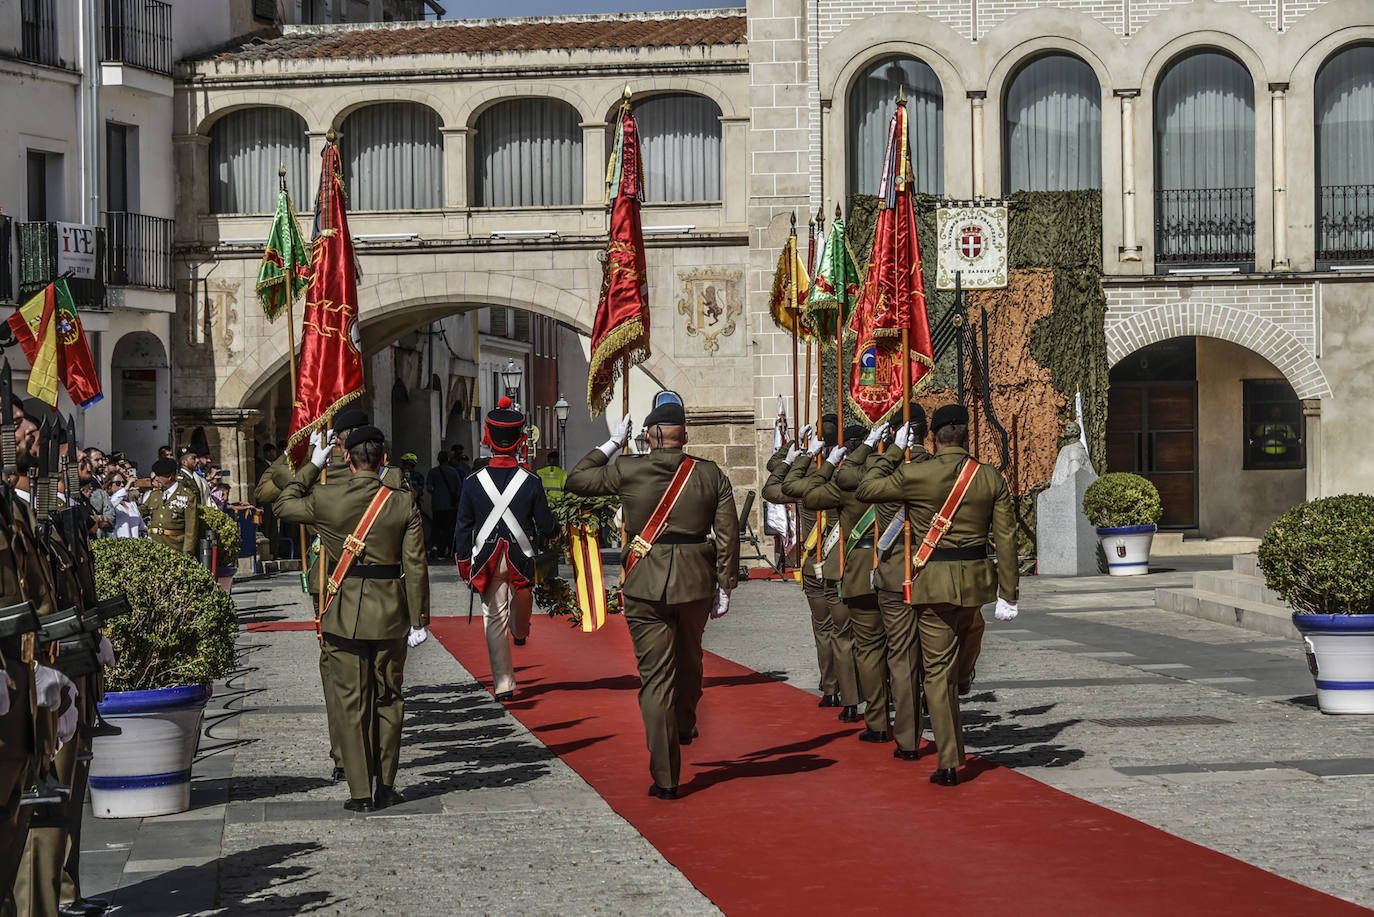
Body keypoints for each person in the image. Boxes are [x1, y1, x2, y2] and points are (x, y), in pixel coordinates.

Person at [566, 400, 739, 799]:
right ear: (685, 435)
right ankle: (683, 722)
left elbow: (577, 479)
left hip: (644, 583)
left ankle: (666, 777)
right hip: (695, 583)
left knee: (655, 679)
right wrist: (725, 583)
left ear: (647, 436)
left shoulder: (628, 468)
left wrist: (611, 444)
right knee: (691, 660)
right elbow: (728, 534)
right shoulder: (711, 474)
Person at [856, 404, 1020, 786]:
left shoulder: (916, 473)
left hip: (932, 582)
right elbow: (1007, 539)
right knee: (966, 639)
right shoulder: (989, 478)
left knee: (936, 673)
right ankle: (964, 676)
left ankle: (948, 761)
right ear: (966, 434)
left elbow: (866, 487)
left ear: (933, 436)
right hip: (978, 582)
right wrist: (1009, 593)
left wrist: (895, 449)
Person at [274, 425, 430, 813]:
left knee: (350, 701)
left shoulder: (325, 497)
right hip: (391, 613)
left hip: (342, 611)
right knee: (390, 698)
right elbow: (415, 564)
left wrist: (312, 465)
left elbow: (282, 504)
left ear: (346, 458)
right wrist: (419, 618)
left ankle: (360, 792)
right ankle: (387, 785)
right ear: (381, 461)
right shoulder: (401, 501)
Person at [799, 420, 900, 737]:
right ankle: (907, 701)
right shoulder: (900, 471)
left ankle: (849, 701)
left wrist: (809, 456)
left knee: (845, 638)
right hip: (896, 565)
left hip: (848, 566)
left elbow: (797, 491)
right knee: (898, 643)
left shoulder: (843, 479)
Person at [454, 398, 557, 701]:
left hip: (486, 558)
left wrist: (463, 561)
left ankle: (504, 684)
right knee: (522, 596)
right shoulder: (532, 480)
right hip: (521, 557)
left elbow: (462, 527)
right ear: (519, 440)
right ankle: (521, 629)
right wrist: (556, 532)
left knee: (493, 619)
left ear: (487, 437)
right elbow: (545, 522)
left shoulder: (473, 482)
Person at [780, 414, 857, 712]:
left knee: (825, 629)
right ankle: (861, 691)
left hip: (817, 560)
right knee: (853, 631)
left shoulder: (809, 476)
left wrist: (799, 450)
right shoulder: (853, 473)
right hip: (849, 560)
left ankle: (831, 689)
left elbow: (778, 480)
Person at [142, 457, 200, 554]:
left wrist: (187, 551)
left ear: (169, 476)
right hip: (154, 547)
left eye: (159, 476)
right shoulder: (155, 494)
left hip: (175, 546)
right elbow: (142, 510)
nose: (157, 479)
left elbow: (191, 528)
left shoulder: (187, 496)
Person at [426, 451, 461, 560]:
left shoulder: (433, 472)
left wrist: (436, 492)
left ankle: (436, 548)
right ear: (447, 459)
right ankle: (449, 550)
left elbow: (429, 488)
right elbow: (459, 488)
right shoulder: (454, 472)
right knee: (449, 529)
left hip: (437, 505)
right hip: (450, 506)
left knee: (437, 529)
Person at [107, 471, 145, 538]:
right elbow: (112, 503)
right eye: (118, 483)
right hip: (118, 545)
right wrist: (126, 488)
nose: (122, 485)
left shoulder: (132, 504)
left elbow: (142, 527)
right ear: (109, 486)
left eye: (123, 483)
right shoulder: (109, 502)